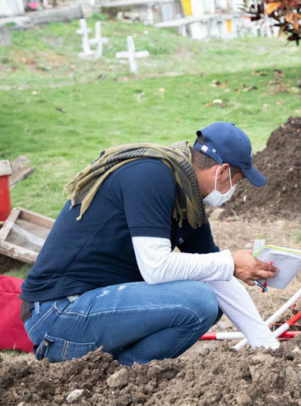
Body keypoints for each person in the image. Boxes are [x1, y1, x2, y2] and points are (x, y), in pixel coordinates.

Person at [20, 122, 279, 365]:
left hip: (92, 308)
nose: (234, 191)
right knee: (199, 300)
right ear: (221, 172)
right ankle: (123, 373)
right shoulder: (151, 175)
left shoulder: (187, 198)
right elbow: (156, 267)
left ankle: (119, 375)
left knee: (210, 296)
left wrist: (268, 347)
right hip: (59, 315)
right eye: (237, 182)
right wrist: (230, 261)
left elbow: (218, 277)